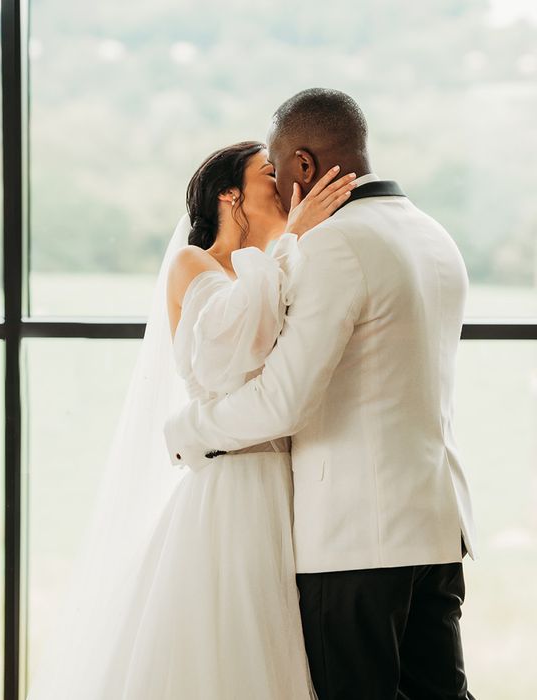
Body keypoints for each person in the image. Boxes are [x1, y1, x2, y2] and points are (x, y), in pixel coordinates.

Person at [165, 88, 478, 700]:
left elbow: (283, 401)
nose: (279, 185)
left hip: (357, 537)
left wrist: (190, 431)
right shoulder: (432, 233)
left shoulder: (334, 244)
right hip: (435, 527)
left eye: (279, 168)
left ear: (304, 166)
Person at [24, 140, 354, 700]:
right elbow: (234, 351)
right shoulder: (193, 264)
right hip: (233, 488)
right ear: (229, 194)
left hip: (291, 486)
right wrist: (290, 239)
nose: (282, 185)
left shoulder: (278, 266)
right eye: (268, 173)